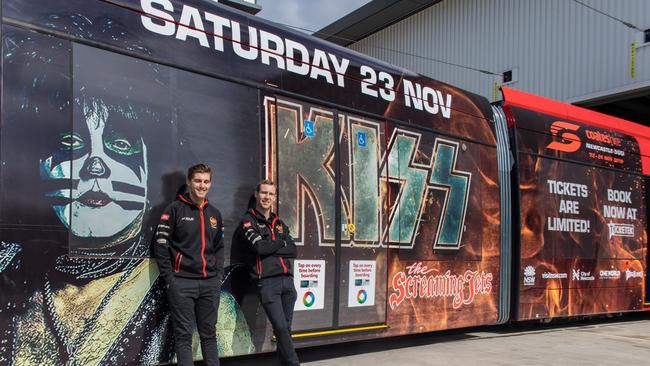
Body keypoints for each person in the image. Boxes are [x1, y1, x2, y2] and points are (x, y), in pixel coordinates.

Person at [154, 164, 225, 366]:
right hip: (182, 283)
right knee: (184, 336)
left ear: (210, 183)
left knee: (209, 335)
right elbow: (161, 246)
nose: (202, 186)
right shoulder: (174, 209)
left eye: (206, 181)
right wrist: (170, 280)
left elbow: (219, 248)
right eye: (197, 181)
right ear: (189, 182)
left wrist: (218, 276)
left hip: (210, 283)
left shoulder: (215, 214)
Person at [233, 179, 300, 366]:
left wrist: (271, 245)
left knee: (285, 329)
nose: (266, 197)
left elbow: (293, 251)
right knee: (279, 327)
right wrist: (280, 243)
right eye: (263, 193)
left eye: (270, 194)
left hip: (288, 283)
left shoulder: (279, 223)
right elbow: (260, 249)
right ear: (256, 194)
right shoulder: (248, 221)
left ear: (274, 197)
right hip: (268, 283)